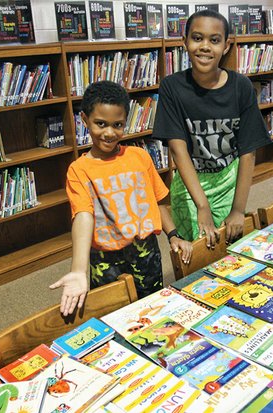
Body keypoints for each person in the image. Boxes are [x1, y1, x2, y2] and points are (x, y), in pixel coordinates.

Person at [50, 81, 192, 316]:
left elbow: (157, 201)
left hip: (146, 251)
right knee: (111, 313)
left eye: (117, 125)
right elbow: (83, 215)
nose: (109, 132)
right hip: (105, 258)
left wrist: (174, 235)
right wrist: (78, 269)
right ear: (85, 120)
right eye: (100, 124)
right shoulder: (79, 169)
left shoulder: (140, 156)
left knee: (152, 308)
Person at [152, 9, 272, 246]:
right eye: (197, 38)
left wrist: (239, 209)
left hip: (229, 179)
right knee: (192, 251)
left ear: (226, 45)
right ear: (184, 42)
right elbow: (178, 149)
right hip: (190, 183)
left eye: (214, 40)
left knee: (232, 249)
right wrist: (202, 205)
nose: (205, 46)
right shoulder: (171, 87)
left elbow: (248, 152)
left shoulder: (241, 86)